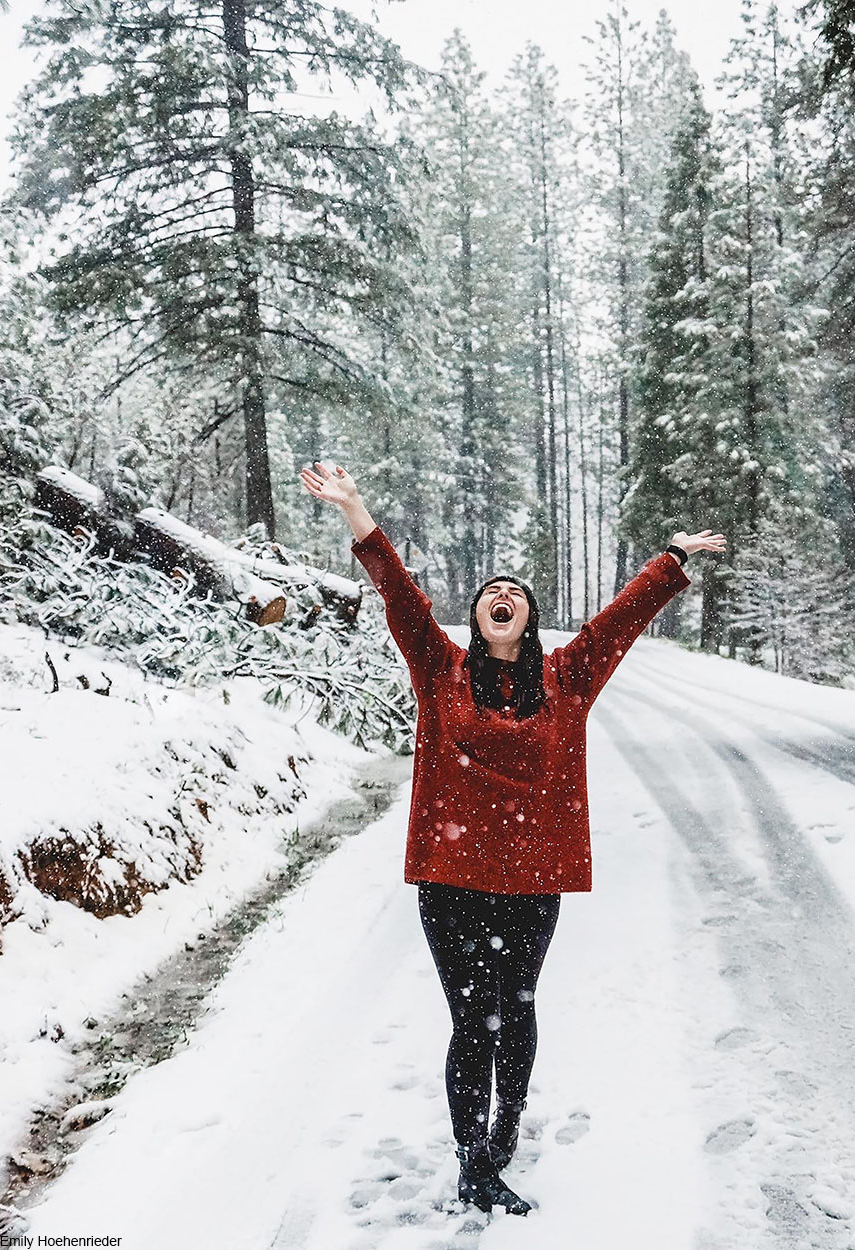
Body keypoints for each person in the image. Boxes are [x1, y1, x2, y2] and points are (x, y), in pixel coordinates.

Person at [300, 460, 726, 1216]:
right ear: (477, 615)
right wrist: (356, 513)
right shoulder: (441, 669)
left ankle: (503, 1133)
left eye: (517, 593)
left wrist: (671, 560)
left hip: (533, 879)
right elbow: (399, 596)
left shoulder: (567, 678)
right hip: (452, 876)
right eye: (491, 592)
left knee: (517, 1009)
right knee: (472, 1018)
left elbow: (616, 623)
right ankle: (473, 1161)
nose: (503, 596)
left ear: (529, 617)